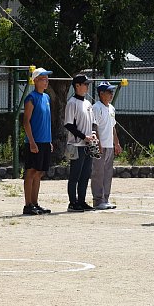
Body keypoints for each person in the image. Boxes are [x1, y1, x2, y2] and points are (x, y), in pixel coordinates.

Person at [22, 67, 54, 215]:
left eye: (47, 79)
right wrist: (31, 142)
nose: (46, 81)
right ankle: (28, 205)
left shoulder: (46, 97)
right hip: (34, 141)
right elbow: (26, 122)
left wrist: (49, 141)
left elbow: (46, 121)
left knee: (39, 172)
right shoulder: (31, 98)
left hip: (45, 141)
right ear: (35, 81)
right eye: (42, 79)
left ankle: (35, 203)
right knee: (31, 171)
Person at [64, 74, 98, 212]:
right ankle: (73, 202)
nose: (87, 86)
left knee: (85, 175)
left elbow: (93, 122)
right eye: (85, 84)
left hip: (88, 145)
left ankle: (82, 201)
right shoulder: (72, 103)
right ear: (77, 86)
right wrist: (83, 137)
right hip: (77, 145)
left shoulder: (88, 103)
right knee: (75, 175)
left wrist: (93, 134)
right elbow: (69, 124)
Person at [90, 81, 121, 210]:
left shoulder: (111, 108)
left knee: (108, 172)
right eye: (109, 92)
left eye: (112, 92)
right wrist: (98, 143)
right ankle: (98, 200)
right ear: (101, 93)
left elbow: (113, 127)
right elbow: (94, 126)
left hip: (110, 145)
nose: (111, 94)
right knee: (98, 173)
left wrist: (116, 143)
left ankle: (106, 198)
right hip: (101, 145)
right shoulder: (96, 107)